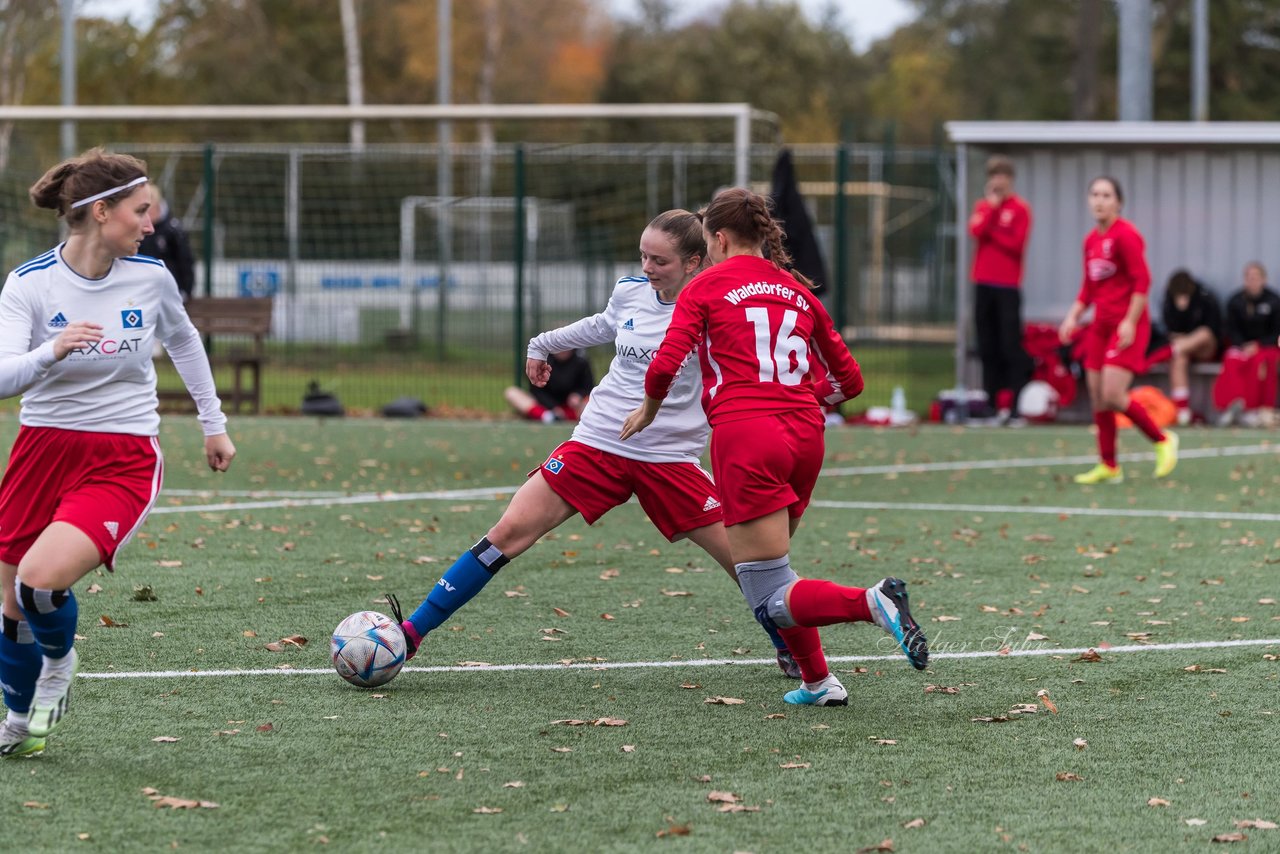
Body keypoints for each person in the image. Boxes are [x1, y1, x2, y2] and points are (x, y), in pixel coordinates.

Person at [391, 210, 803, 678]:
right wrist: (540, 343)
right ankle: (411, 633)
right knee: (507, 533)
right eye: (643, 255)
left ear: (693, 262)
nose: (647, 267)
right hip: (597, 441)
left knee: (746, 561)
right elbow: (603, 324)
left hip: (668, 456)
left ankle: (789, 644)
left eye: (660, 261)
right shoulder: (631, 291)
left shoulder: (716, 305)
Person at [621, 188, 930, 708]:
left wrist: (649, 409)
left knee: (765, 593)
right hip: (806, 435)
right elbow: (849, 383)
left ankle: (872, 603)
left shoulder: (706, 285)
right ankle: (819, 682)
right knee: (775, 575)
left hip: (749, 436)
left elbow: (664, 365)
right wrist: (801, 398)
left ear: (718, 238)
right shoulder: (796, 288)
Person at [0, 149, 236, 758]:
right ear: (101, 213)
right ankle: (20, 720)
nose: (151, 224)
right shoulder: (29, 284)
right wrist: (50, 352)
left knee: (39, 582)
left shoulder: (151, 278)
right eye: (141, 211)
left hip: (122, 455)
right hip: (40, 449)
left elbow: (185, 342)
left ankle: (60, 663)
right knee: (10, 605)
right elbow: (3, 377)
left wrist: (215, 424)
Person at [1058, 176, 1178, 484]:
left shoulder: (1125, 235)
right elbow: (1088, 287)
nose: (1099, 200)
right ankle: (1109, 465)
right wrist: (1072, 316)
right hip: (1101, 325)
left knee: (1113, 394)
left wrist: (1129, 320)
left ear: (1118, 202)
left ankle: (1162, 440)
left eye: (1106, 195)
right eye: (1095, 194)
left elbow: (1143, 281)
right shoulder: (1090, 241)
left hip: (1129, 325)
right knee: (1098, 396)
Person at [968, 155, 1033, 425]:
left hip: (1008, 286)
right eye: (994, 175)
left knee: (1010, 346)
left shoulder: (1020, 209)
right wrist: (993, 213)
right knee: (987, 346)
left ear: (1010, 179)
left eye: (1003, 175)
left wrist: (994, 229)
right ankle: (991, 406)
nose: (998, 180)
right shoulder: (984, 206)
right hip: (983, 284)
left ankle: (1015, 407)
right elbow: (976, 231)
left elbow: (1015, 245)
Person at [1150, 269, 1223, 425]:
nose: (1182, 301)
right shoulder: (1168, 301)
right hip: (1183, 349)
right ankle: (1182, 411)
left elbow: (1213, 329)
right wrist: (1179, 337)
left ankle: (1172, 349)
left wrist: (1186, 338)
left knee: (1203, 333)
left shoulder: (1205, 298)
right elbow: (1168, 330)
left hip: (1205, 348)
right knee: (1178, 359)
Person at [1214, 261, 1280, 426]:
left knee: (1263, 362)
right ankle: (1232, 405)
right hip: (1242, 346)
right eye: (1249, 278)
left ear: (1264, 280)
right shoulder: (1235, 301)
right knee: (1232, 359)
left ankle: (1259, 409)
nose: (1252, 281)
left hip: (1267, 347)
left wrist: (1258, 344)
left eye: (1256, 277)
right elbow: (1230, 329)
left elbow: (1276, 332)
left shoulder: (1274, 301)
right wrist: (1242, 345)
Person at [138, 184, 196, 302]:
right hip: (143, 291)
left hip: (170, 292)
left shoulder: (173, 230)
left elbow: (185, 261)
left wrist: (186, 290)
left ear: (157, 206)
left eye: (149, 210)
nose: (147, 216)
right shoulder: (137, 231)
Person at [503, 349, 594, 423]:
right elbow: (536, 390)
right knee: (511, 392)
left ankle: (570, 418)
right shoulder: (542, 361)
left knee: (591, 402)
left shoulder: (581, 361)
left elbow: (588, 387)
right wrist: (553, 408)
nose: (563, 349)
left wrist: (578, 395)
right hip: (545, 408)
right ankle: (548, 417)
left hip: (572, 409)